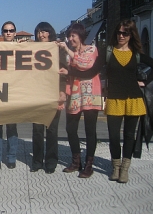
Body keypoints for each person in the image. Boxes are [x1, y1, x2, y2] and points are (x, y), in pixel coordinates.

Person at [67, 19, 153, 183]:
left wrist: (145, 81)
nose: (121, 36)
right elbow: (91, 71)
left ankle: (124, 169)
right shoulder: (108, 52)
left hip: (134, 99)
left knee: (129, 135)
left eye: (125, 33)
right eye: (119, 32)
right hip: (114, 98)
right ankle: (115, 166)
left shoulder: (136, 54)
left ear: (130, 35)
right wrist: (69, 71)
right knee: (114, 136)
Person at [57, 23, 102, 178]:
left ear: (80, 36)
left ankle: (89, 164)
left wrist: (67, 51)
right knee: (70, 129)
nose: (70, 39)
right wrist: (64, 96)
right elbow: (69, 77)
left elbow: (85, 65)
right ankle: (76, 161)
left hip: (91, 95)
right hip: (75, 95)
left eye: (73, 36)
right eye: (69, 36)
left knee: (90, 130)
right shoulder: (68, 55)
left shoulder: (92, 49)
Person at [31, 22, 67, 174]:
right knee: (37, 130)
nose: (42, 35)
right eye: (39, 32)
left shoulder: (58, 50)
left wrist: (62, 92)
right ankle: (37, 161)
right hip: (37, 95)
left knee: (52, 130)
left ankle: (51, 161)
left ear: (50, 33)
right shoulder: (32, 50)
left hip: (53, 93)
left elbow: (64, 72)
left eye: (45, 31)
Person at [0, 21, 19, 170]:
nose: (8, 33)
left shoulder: (22, 49)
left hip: (13, 93)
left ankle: (11, 158)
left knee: (12, 128)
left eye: (11, 30)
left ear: (15, 33)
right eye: (6, 31)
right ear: (2, 33)